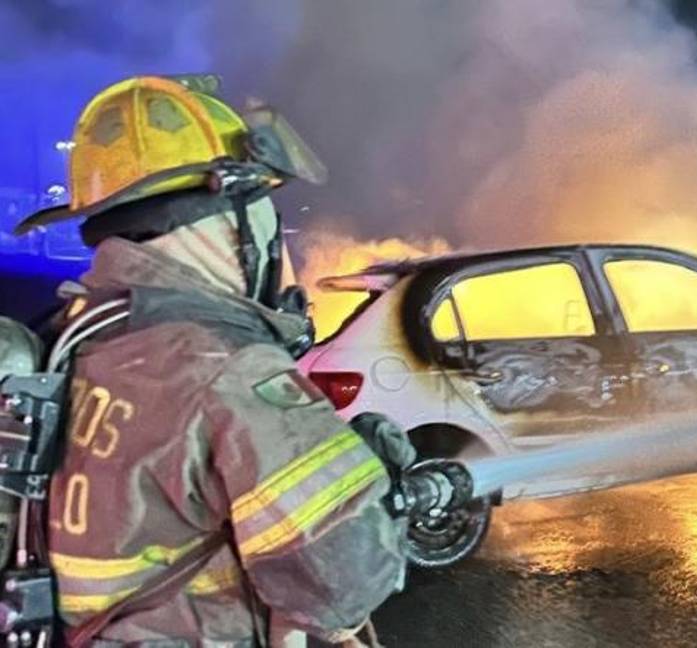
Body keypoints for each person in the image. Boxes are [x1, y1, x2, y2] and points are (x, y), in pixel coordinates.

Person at [15, 75, 413, 646]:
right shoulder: (227, 373)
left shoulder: (73, 340)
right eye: (262, 206)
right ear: (229, 220)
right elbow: (341, 587)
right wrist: (380, 491)